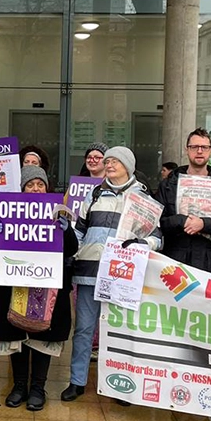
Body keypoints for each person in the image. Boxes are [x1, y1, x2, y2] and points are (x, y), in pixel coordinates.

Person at [65, 146, 161, 401]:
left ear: (128, 165)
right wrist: (68, 248)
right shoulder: (94, 194)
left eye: (114, 161)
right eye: (107, 161)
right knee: (84, 329)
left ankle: (121, 385)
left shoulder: (143, 198)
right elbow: (79, 229)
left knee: (120, 331)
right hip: (88, 270)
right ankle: (77, 381)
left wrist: (145, 244)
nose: (108, 165)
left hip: (123, 276)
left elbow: (157, 237)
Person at [0, 166, 78, 411]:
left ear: (47, 188)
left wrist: (65, 229)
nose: (36, 189)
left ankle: (38, 387)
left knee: (43, 334)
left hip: (46, 285)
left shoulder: (59, 212)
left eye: (40, 184)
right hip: (16, 283)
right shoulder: (9, 212)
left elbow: (71, 249)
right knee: (15, 331)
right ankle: (19, 386)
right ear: (23, 188)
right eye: (30, 185)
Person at [158, 129, 211, 277]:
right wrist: (181, 221)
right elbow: (157, 222)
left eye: (204, 147)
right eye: (194, 147)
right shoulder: (169, 183)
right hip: (174, 263)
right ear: (187, 150)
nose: (199, 151)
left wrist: (204, 224)